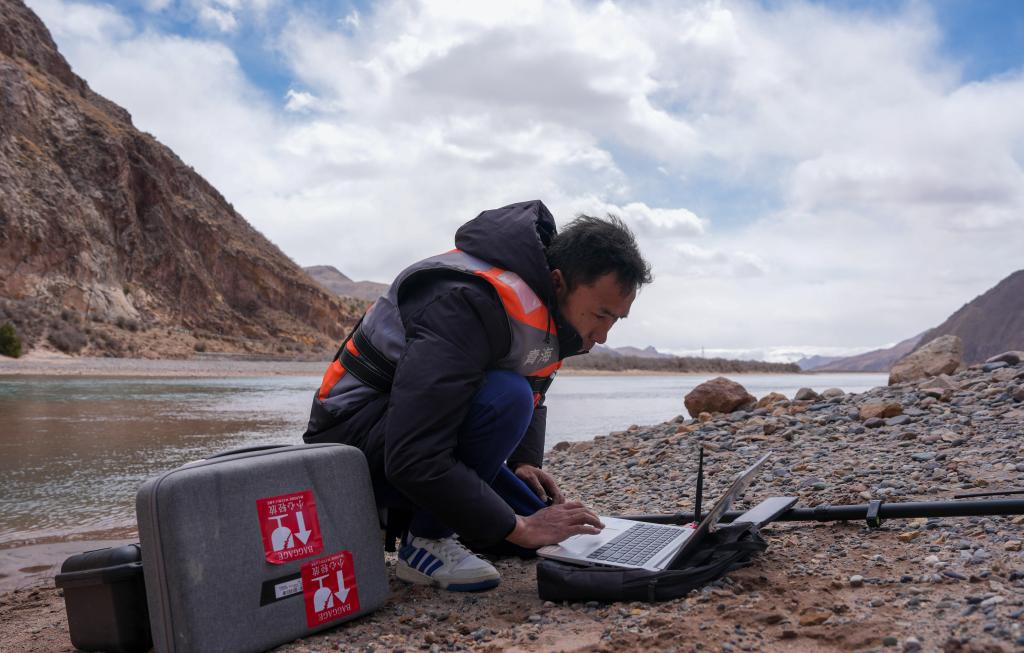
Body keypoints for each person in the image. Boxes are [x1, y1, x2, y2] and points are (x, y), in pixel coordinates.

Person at [303, 200, 652, 591]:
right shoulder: (466, 301)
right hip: (350, 450)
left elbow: (534, 387)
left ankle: (429, 518)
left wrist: (523, 462)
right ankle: (425, 542)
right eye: (601, 315)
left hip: (404, 436)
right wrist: (520, 527)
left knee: (540, 528)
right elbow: (414, 454)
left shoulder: (549, 313)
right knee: (509, 405)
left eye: (615, 320)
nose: (603, 336)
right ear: (558, 282)